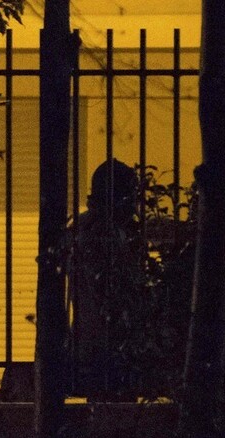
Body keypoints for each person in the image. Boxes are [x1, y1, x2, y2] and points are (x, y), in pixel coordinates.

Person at [69, 159, 147, 397]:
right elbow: (114, 290)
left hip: (89, 341)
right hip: (110, 344)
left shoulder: (83, 226)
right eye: (131, 194)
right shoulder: (106, 232)